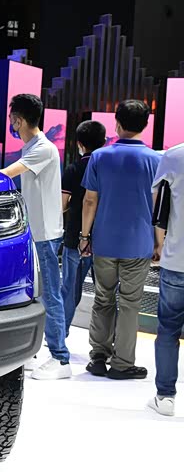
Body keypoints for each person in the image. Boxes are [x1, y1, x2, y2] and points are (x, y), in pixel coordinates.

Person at [80, 100, 161, 379]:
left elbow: (90, 200)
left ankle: (98, 357)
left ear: (117, 123)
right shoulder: (155, 160)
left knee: (102, 298)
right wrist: (159, 242)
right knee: (129, 304)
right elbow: (157, 207)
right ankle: (122, 364)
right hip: (139, 242)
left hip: (104, 241)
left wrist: (84, 236)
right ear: (146, 125)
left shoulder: (99, 156)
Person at [0, 94, 69, 380]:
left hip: (45, 235)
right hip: (34, 233)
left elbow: (7, 173)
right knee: (36, 294)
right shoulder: (32, 147)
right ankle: (34, 351)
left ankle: (61, 358)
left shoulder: (43, 149)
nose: (11, 124)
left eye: (12, 119)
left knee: (50, 295)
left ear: (19, 120)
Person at [61, 121, 106, 336]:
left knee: (70, 290)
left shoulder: (74, 168)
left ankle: (60, 335)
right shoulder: (108, 169)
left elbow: (62, 205)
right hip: (105, 239)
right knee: (106, 293)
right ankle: (107, 339)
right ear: (104, 141)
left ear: (79, 143)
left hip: (75, 237)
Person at [148, 144, 184, 416]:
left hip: (177, 259)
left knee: (169, 330)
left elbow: (157, 204)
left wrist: (158, 244)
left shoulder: (174, 155)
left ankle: (165, 397)